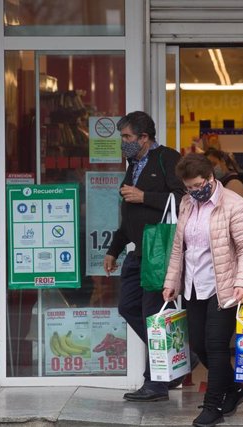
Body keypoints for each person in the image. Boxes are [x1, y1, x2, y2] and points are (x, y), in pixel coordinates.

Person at [162, 153, 243, 427]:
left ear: (210, 177)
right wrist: (171, 282)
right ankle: (234, 390)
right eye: (188, 187)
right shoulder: (187, 203)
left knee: (216, 347)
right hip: (193, 286)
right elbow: (179, 248)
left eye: (197, 185)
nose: (193, 191)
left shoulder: (234, 205)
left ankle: (213, 405)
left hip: (225, 286)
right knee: (199, 345)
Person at [103, 111, 189, 402]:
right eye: (122, 138)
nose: (123, 143)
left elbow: (184, 199)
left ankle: (156, 382)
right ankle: (176, 357)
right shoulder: (134, 164)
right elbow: (130, 214)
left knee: (153, 317)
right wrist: (114, 249)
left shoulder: (167, 159)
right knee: (128, 307)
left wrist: (145, 197)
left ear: (144, 137)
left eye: (127, 137)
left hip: (160, 251)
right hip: (137, 252)